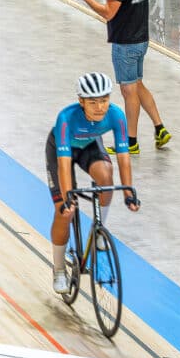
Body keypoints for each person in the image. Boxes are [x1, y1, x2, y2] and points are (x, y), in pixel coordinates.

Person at [71, 0, 170, 154]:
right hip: (141, 41)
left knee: (129, 92)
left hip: (125, 45)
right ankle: (160, 128)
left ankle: (130, 142)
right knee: (138, 85)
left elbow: (109, 12)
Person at [46, 72, 139, 294]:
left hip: (89, 146)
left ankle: (99, 229)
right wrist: (67, 198)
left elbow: (124, 158)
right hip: (61, 151)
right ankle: (59, 269)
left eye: (104, 100)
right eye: (93, 102)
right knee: (64, 212)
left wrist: (128, 193)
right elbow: (63, 164)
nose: (100, 107)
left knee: (106, 176)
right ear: (81, 101)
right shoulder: (66, 118)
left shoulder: (116, 115)